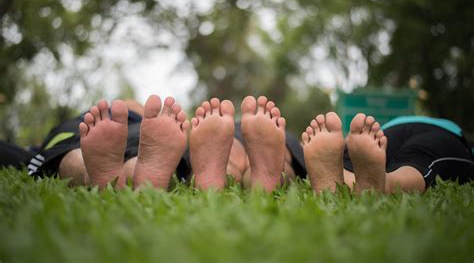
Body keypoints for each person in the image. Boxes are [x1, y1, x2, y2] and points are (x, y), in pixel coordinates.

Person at [27, 95, 305, 192]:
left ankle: (99, 175)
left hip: (112, 134)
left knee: (74, 151)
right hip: (248, 138)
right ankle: (269, 177)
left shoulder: (99, 117)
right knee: (245, 150)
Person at [301, 113, 474, 193]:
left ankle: (339, 177)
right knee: (420, 157)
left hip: (392, 128)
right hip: (445, 133)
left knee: (359, 153)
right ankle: (384, 183)